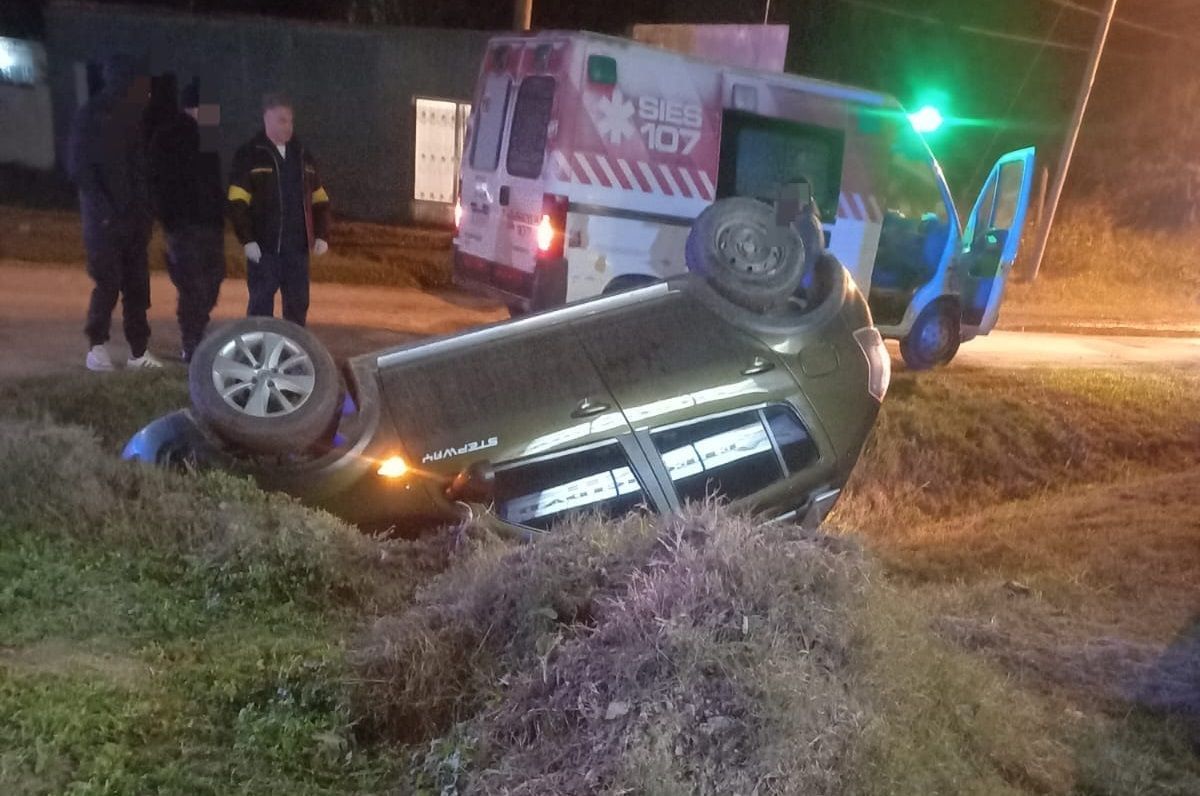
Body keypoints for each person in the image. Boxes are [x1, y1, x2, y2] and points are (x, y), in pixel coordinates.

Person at [67, 52, 163, 371]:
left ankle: (138, 352)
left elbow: (141, 172)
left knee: (137, 288)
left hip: (135, 222)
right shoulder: (91, 116)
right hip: (104, 223)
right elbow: (81, 170)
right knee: (107, 284)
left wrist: (146, 214)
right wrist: (105, 212)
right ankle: (97, 347)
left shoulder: (134, 118)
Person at [227, 93, 331, 327]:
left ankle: (292, 349)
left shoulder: (303, 156)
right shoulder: (250, 155)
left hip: (297, 251)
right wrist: (247, 240)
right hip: (264, 250)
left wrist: (322, 235)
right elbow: (237, 202)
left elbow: (320, 200)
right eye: (282, 120)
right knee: (260, 308)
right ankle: (259, 348)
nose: (288, 126)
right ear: (267, 119)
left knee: (297, 308)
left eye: (290, 121)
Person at [149, 77, 227, 362]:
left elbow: (212, 182)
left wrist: (220, 212)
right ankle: (191, 341)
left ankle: (198, 330)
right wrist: (170, 219)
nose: (215, 113)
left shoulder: (208, 138)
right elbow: (157, 182)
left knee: (213, 281)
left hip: (210, 225)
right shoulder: (168, 137)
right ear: (195, 106)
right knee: (192, 285)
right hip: (183, 226)